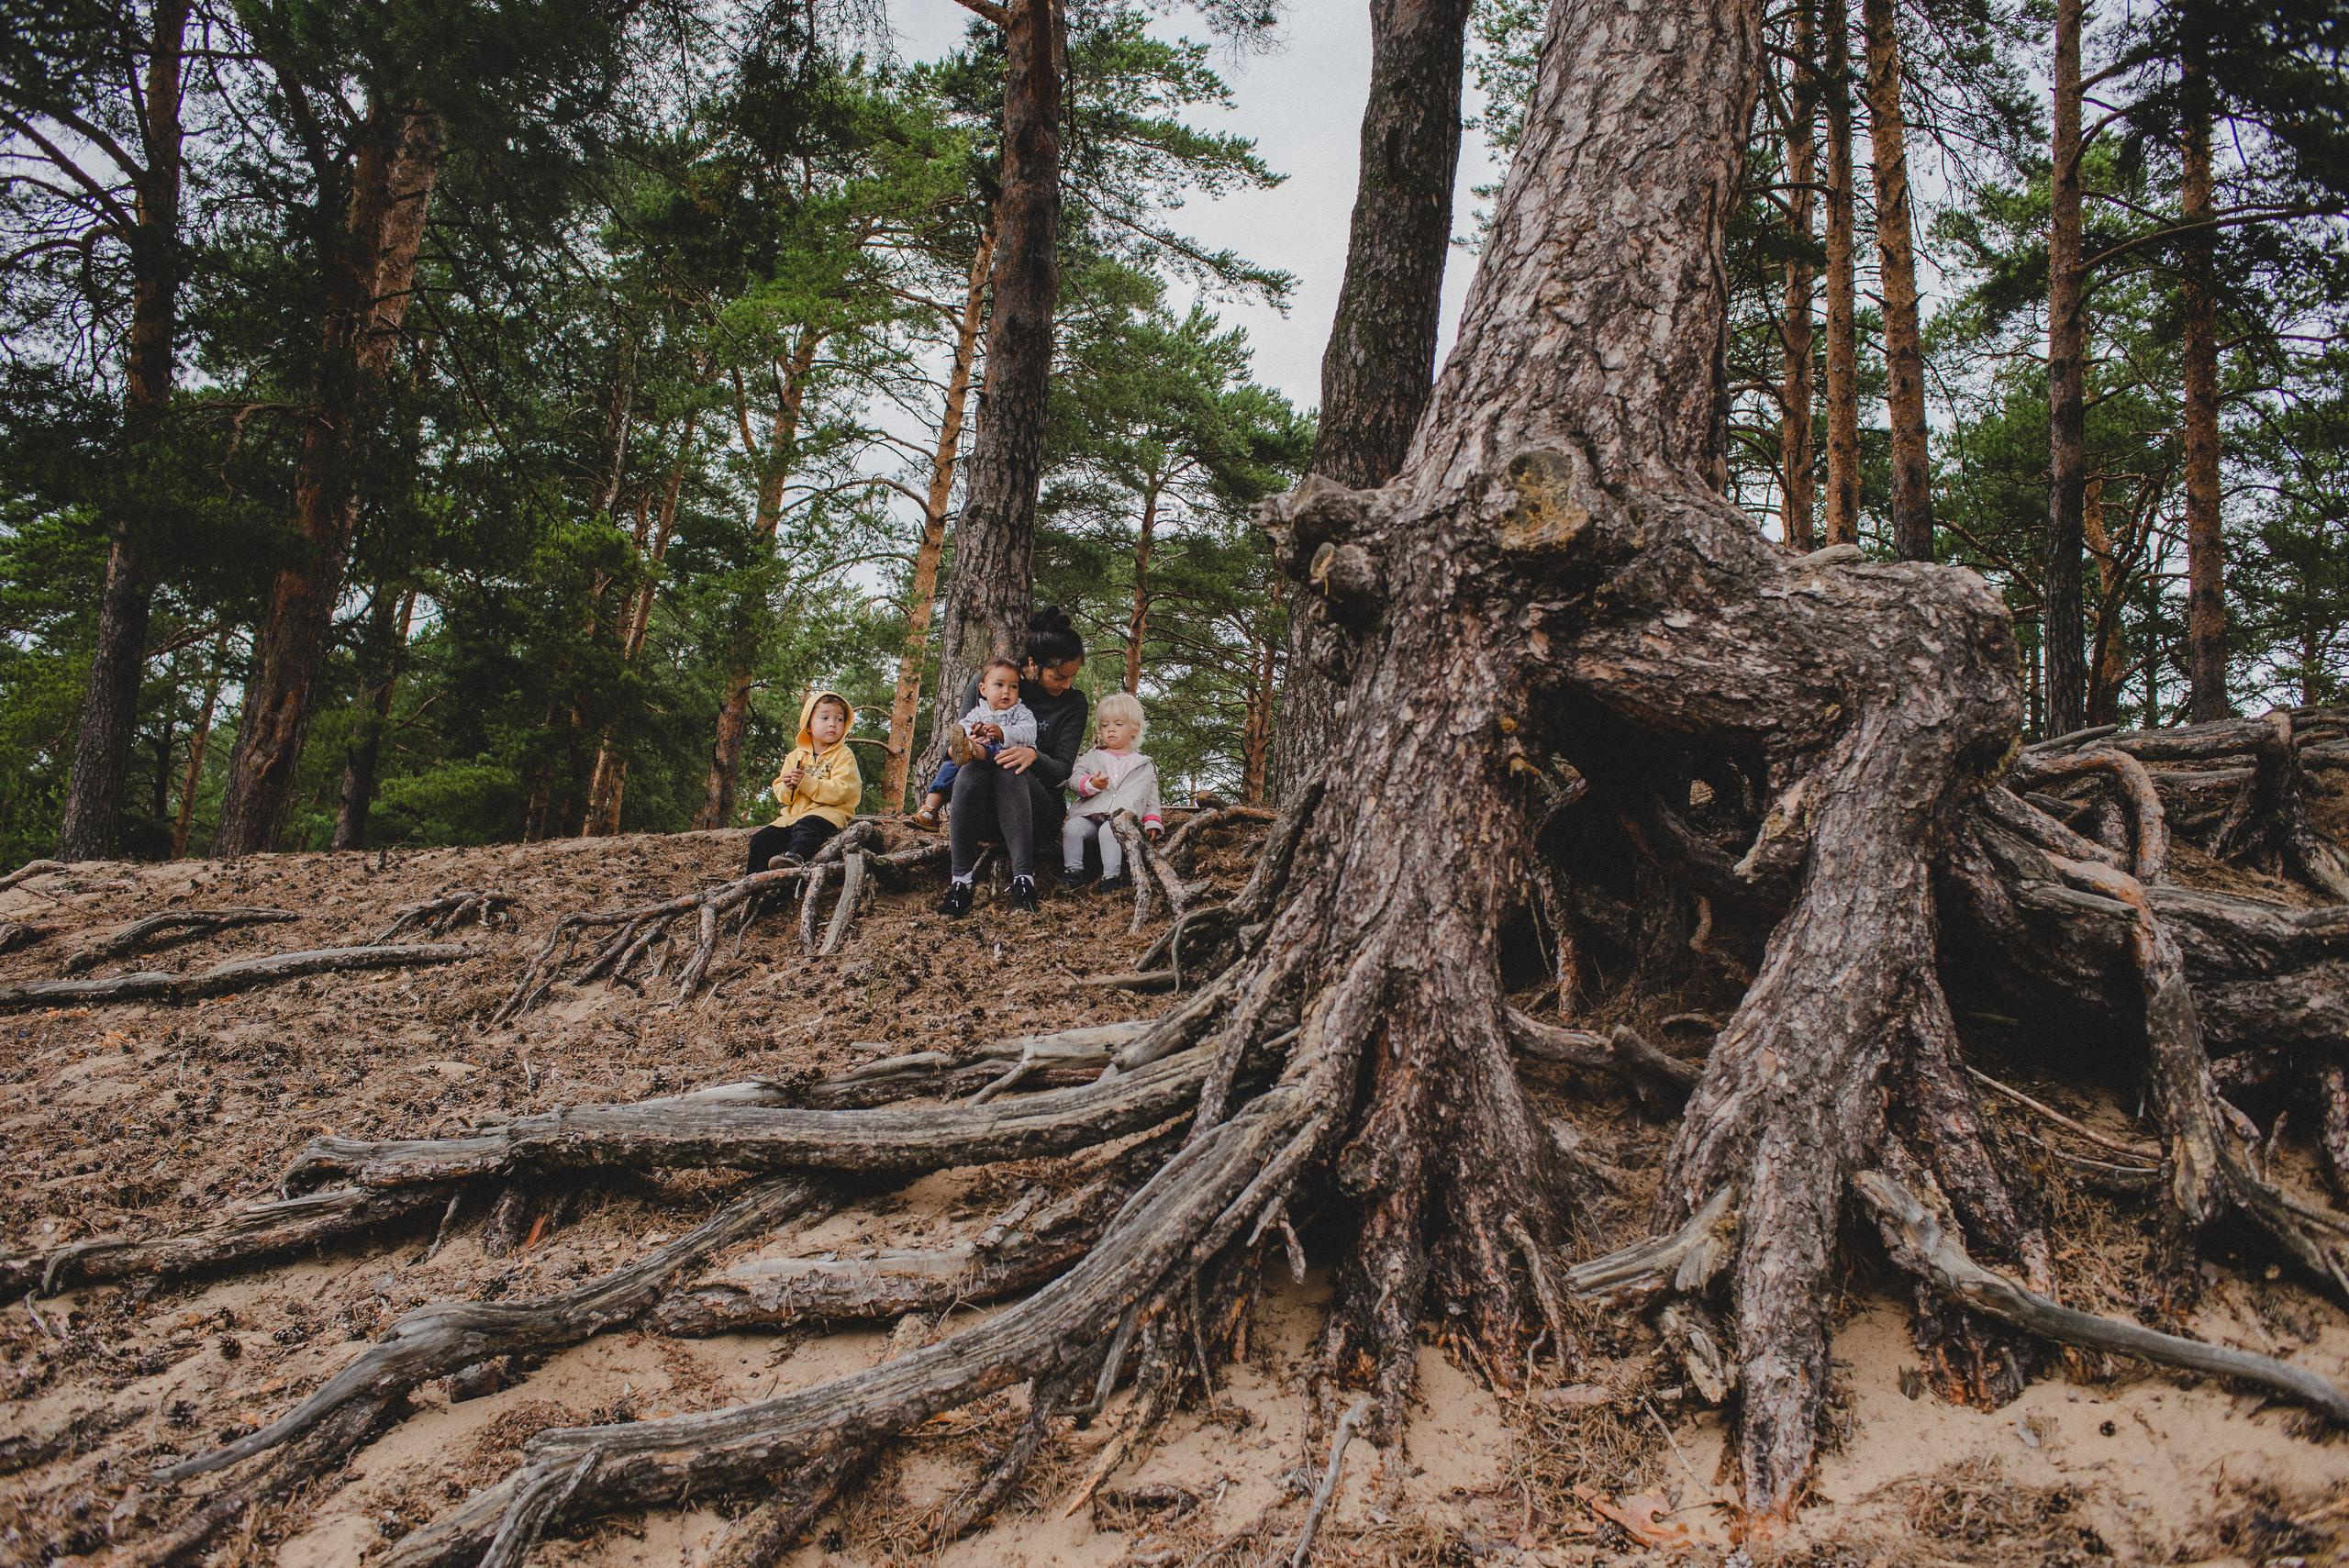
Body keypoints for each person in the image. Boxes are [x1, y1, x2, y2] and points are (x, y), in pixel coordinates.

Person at [937, 606, 1091, 917]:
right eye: (1059, 676)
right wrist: (964, 747)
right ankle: (960, 883)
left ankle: (1024, 881)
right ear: (1033, 665)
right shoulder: (991, 681)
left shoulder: (1073, 704)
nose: (1066, 684)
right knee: (972, 768)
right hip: (982, 813)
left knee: (1011, 767)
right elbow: (955, 745)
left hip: (1038, 815)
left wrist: (1033, 756)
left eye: (1072, 677)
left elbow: (1062, 770)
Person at [744, 689, 863, 874]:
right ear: (808, 726)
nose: (832, 724)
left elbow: (843, 790)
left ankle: (795, 858)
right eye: (825, 718)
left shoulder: (844, 755)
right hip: (793, 817)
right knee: (761, 839)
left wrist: (807, 783)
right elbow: (784, 795)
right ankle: (753, 881)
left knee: (807, 827)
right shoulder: (795, 757)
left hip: (828, 814)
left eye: (839, 719)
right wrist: (788, 787)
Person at [1061, 691, 1161, 890]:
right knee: (1072, 827)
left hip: (1122, 821)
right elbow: (1074, 779)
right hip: (1090, 817)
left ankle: (1111, 878)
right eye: (1105, 725)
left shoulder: (1144, 765)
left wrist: (1152, 822)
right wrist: (1091, 783)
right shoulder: (1092, 756)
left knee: (1109, 830)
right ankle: (1072, 872)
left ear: (1134, 729)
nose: (1110, 730)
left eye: (1118, 724)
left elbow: (1150, 798)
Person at [947, 660, 1038, 764]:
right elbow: (963, 725)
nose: (1006, 691)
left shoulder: (1021, 712)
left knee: (988, 748)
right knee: (948, 766)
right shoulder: (979, 711)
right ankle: (965, 748)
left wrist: (1003, 733)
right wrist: (973, 731)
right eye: (999, 684)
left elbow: (1029, 733)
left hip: (1004, 754)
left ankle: (970, 749)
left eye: (1013, 686)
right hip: (976, 751)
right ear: (983, 689)